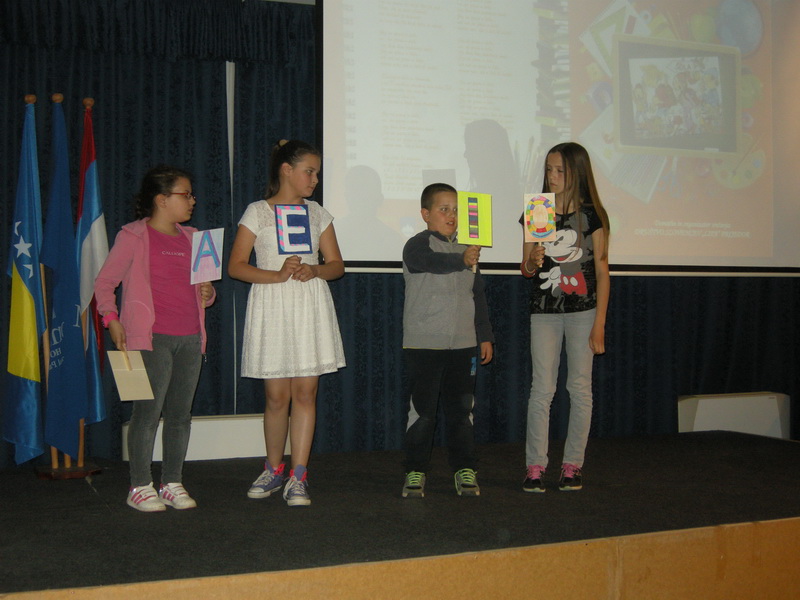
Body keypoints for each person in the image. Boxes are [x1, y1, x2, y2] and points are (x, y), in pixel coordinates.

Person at [228, 139, 345, 507]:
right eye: (309, 171)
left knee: (306, 393)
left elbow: (337, 265)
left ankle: (299, 475)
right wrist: (277, 275)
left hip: (309, 304)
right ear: (286, 170)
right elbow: (235, 266)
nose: (315, 179)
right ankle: (273, 468)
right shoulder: (257, 212)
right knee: (277, 396)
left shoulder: (318, 214)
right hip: (272, 304)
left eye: (317, 173)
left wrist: (316, 270)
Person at [95, 165, 216, 512]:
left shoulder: (195, 238)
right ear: (162, 199)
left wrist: (208, 293)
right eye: (185, 194)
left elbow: (206, 293)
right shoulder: (133, 236)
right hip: (151, 339)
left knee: (180, 415)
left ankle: (172, 482)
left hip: (190, 338)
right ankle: (139, 485)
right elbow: (105, 283)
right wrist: (111, 318)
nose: (192, 200)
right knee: (147, 414)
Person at [520, 142, 610, 493]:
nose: (552, 176)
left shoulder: (593, 214)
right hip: (544, 310)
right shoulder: (537, 209)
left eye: (560, 170)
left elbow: (602, 271)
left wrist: (599, 323)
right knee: (542, 388)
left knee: (580, 388)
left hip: (583, 311)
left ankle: (573, 464)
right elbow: (526, 269)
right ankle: (535, 466)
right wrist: (533, 260)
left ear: (577, 172)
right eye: (549, 170)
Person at [401, 182, 494, 498]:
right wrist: (461, 260)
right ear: (425, 214)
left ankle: (465, 468)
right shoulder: (416, 245)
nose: (451, 215)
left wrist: (484, 335)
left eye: (455, 209)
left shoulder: (468, 248)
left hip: (464, 345)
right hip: (424, 344)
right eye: (444, 209)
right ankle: (415, 470)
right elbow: (429, 263)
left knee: (461, 412)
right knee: (423, 412)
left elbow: (477, 294)